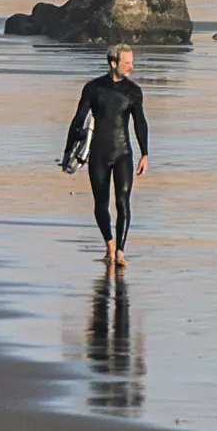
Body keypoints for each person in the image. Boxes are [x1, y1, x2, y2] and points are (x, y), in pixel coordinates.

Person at [64, 43, 149, 267]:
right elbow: (78, 120)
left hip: (123, 153)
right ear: (113, 63)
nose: (132, 66)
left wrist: (145, 153)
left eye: (132, 62)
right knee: (101, 204)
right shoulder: (93, 88)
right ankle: (110, 244)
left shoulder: (133, 92)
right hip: (98, 155)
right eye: (127, 62)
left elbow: (140, 123)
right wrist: (68, 151)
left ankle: (120, 251)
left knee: (123, 203)